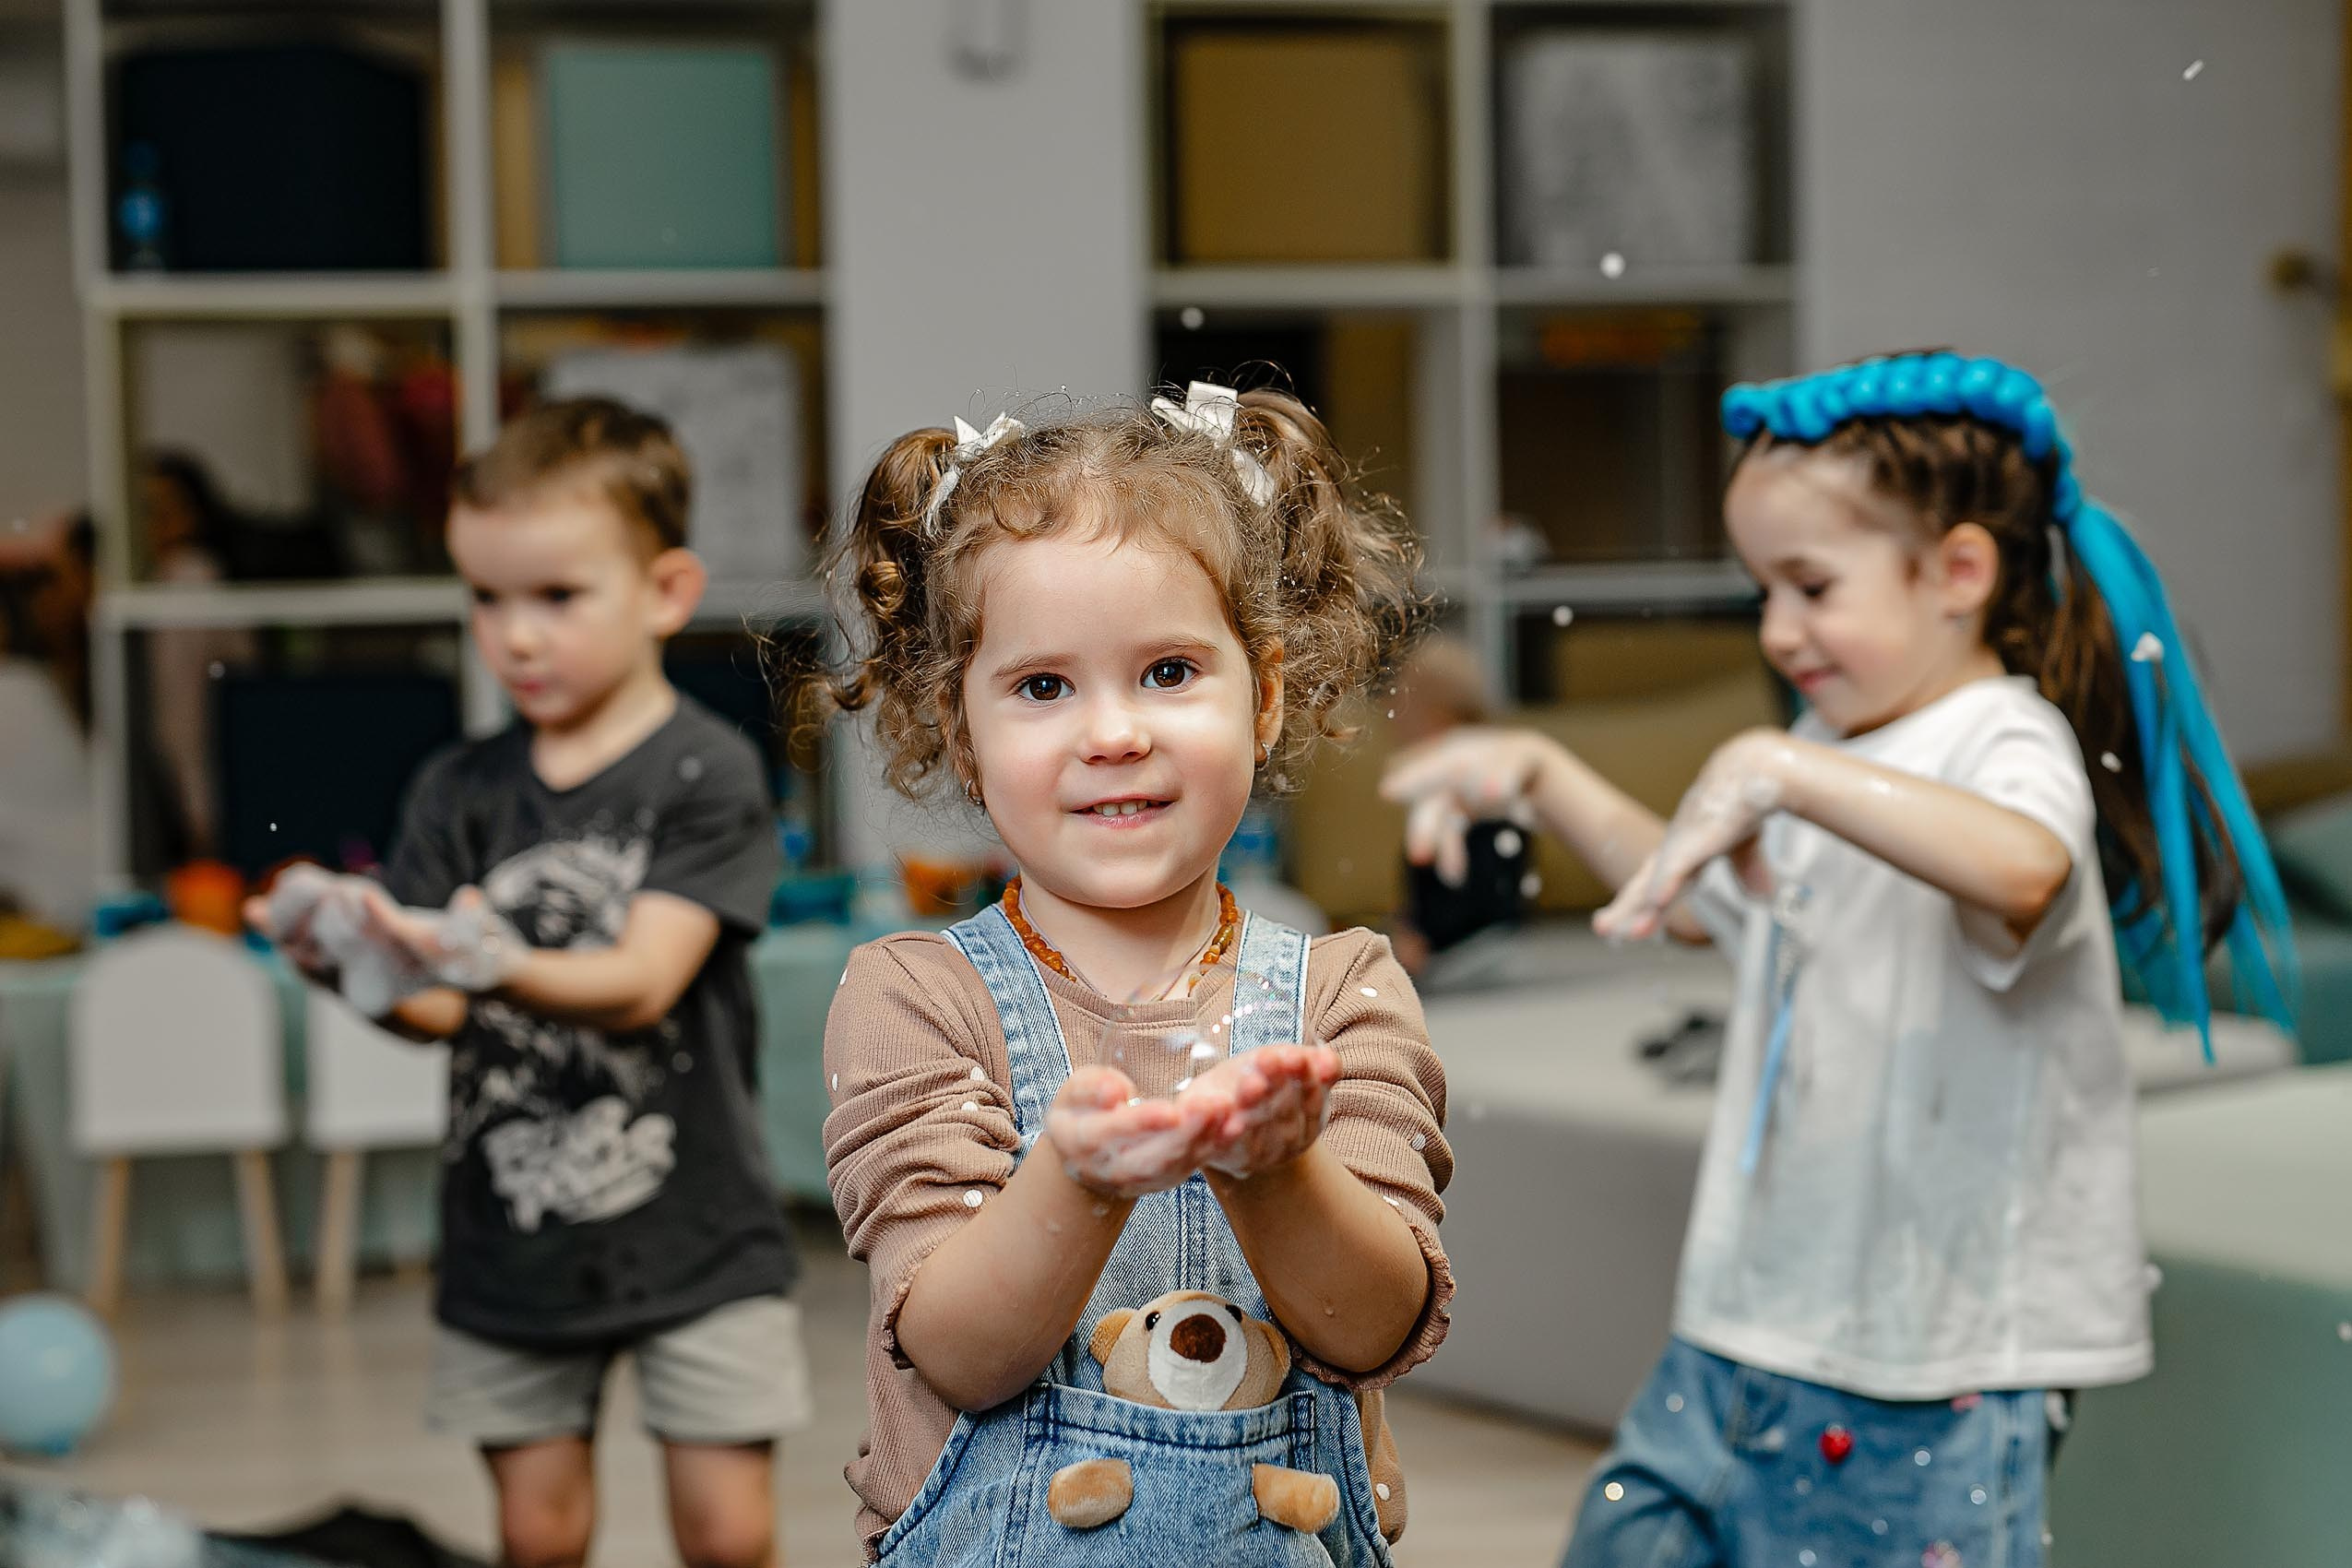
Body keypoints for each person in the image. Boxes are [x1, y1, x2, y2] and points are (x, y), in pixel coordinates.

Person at [1383, 351, 2294, 1568]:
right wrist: (1540, 773)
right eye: (1763, 588)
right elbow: (1700, 896)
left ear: (1959, 572)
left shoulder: (1995, 736)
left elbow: (2025, 870)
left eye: (1809, 586)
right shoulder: (1831, 736)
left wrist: (1777, 771)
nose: (1777, 630)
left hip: (1930, 1358)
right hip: (1753, 1318)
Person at [799, 385, 1452, 1564]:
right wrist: (1080, 1181)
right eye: (1043, 686)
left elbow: (1377, 1326)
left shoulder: (1344, 988)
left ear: (1262, 695)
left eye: (1166, 672)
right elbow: (958, 1349)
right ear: (962, 731)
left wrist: (1275, 1170)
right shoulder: (911, 998)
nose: (1113, 732)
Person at [247, 398, 812, 1568]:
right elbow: (441, 1012)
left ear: (663, 591)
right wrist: (346, 965)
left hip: (697, 1235)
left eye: (557, 596)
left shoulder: (708, 769)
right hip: (513, 1241)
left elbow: (645, 979)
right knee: (537, 1535)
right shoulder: (455, 788)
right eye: (487, 597)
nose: (516, 635)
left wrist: (487, 953)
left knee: (730, 1530)